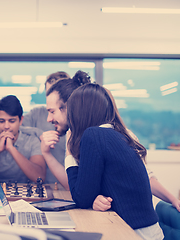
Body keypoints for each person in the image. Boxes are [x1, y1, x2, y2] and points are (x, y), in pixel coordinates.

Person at [65, 83, 163, 239]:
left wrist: (68, 153)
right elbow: (93, 190)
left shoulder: (94, 135)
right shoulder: (117, 134)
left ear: (79, 114)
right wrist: (93, 199)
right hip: (146, 231)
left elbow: (80, 197)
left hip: (136, 234)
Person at [92, 89, 180, 213]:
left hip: (129, 218)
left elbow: (146, 177)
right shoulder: (88, 140)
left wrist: (173, 199)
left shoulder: (126, 136)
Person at [40, 70, 91, 190]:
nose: (48, 119)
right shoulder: (72, 134)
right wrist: (46, 153)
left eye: (52, 112)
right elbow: (72, 185)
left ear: (69, 107)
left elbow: (79, 191)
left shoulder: (89, 136)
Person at [22, 71, 70, 186]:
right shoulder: (37, 113)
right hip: (46, 182)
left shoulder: (75, 132)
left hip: (67, 182)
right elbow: (17, 127)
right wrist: (40, 134)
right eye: (49, 92)